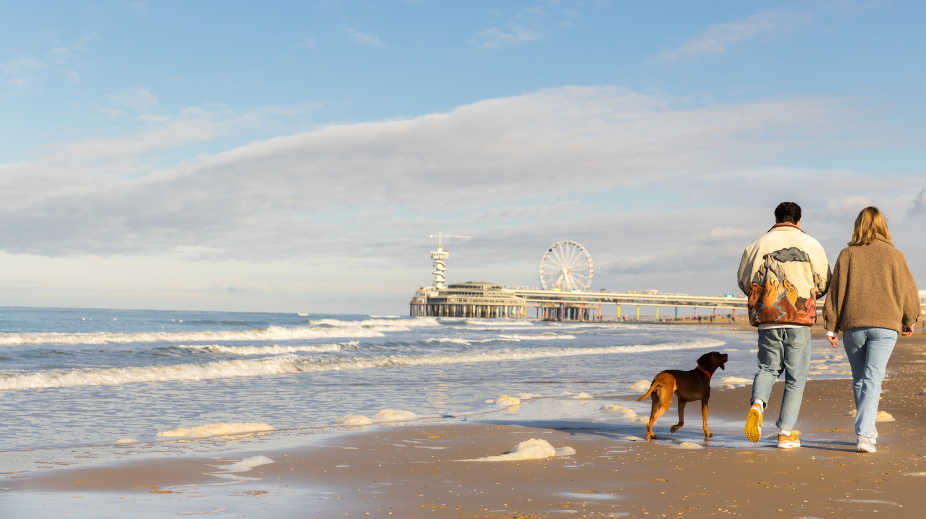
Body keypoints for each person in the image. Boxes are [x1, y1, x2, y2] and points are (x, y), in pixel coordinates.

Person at [822, 207, 919, 453]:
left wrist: (831, 326)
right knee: (872, 379)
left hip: (853, 325)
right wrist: (910, 319)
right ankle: (865, 434)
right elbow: (908, 289)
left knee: (861, 379)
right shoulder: (895, 254)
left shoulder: (847, 254)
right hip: (885, 325)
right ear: (882, 225)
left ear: (858, 225)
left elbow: (835, 292)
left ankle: (867, 429)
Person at [737, 202, 831, 448]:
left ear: (776, 218)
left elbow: (744, 281)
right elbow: (823, 283)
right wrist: (809, 295)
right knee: (795, 378)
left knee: (767, 369)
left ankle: (757, 405)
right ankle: (785, 433)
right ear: (799, 221)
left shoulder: (756, 244)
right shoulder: (812, 244)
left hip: (767, 319)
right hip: (799, 320)